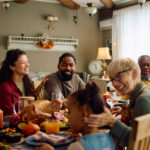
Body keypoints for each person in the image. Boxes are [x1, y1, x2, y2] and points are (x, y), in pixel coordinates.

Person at [84, 58, 150, 147]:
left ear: (134, 73)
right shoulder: (141, 95)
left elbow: (136, 143)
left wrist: (112, 122)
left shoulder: (143, 100)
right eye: (111, 80)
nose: (114, 84)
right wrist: (128, 111)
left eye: (118, 76)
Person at [36, 81, 115, 150]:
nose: (67, 116)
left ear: (84, 113)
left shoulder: (78, 147)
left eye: (69, 111)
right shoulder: (109, 138)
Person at [0, 49, 48, 116]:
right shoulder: (5, 87)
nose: (27, 65)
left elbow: (31, 98)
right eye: (23, 63)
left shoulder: (26, 82)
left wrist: (41, 84)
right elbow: (8, 116)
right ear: (12, 66)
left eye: (27, 62)